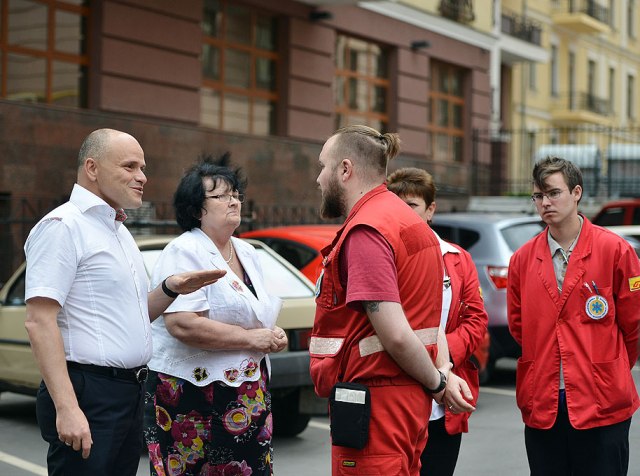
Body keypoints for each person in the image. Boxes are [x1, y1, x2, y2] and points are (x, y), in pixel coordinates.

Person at [24, 128, 225, 476]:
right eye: (130, 166)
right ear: (92, 167)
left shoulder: (117, 230)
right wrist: (67, 407)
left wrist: (171, 288)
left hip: (128, 392)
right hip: (88, 393)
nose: (142, 177)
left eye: (143, 168)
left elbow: (132, 317)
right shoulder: (62, 226)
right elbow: (39, 321)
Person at [309, 125, 474, 475]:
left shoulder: (369, 229)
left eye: (323, 166)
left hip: (376, 404)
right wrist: (437, 377)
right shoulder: (408, 223)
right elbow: (431, 321)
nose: (318, 178)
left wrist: (438, 383)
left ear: (345, 169)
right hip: (403, 402)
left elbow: (397, 333)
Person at [143, 156, 288, 476]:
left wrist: (273, 333)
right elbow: (182, 323)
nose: (233, 200)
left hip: (248, 391)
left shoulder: (248, 252)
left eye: (235, 193)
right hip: (193, 395)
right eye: (221, 196)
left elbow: (252, 315)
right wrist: (252, 338)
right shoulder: (184, 251)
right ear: (197, 208)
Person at [507, 156, 640, 476]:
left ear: (576, 192)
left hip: (602, 399)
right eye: (538, 196)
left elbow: (633, 324)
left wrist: (612, 364)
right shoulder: (522, 259)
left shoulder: (615, 250)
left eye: (553, 193)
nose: (545, 203)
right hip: (544, 399)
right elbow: (518, 325)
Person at [387, 167, 487, 476]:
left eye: (412, 206)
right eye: (396, 205)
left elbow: (475, 318)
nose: (403, 213)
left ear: (431, 210)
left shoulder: (457, 258)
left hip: (445, 397)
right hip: (396, 391)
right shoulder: (383, 256)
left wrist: (440, 360)